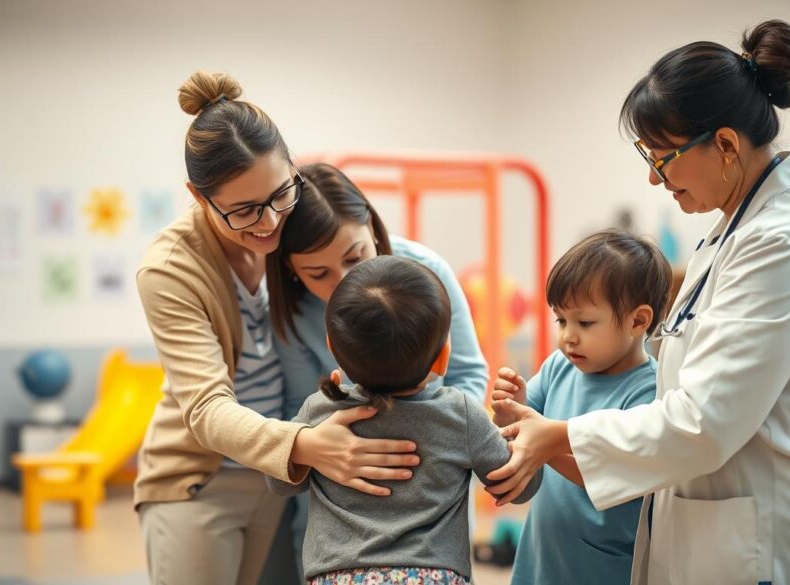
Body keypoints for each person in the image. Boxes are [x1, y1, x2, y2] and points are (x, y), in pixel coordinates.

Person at [486, 20, 790, 584]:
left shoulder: (781, 245)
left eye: (662, 157)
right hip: (722, 535)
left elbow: (703, 423)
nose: (652, 177)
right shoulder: (730, 236)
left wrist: (559, 434)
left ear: (723, 144)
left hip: (775, 546)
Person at [134, 71, 419, 585]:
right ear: (199, 198)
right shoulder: (170, 269)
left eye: (278, 194)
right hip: (199, 482)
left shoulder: (290, 233)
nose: (267, 223)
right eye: (242, 211)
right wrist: (306, 443)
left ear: (293, 169)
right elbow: (204, 407)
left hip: (275, 479)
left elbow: (360, 246)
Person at [265, 162, 489, 576]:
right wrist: (323, 446)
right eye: (318, 274)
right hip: (340, 530)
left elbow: (470, 374)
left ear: (371, 226)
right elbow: (295, 422)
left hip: (432, 524)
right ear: (290, 270)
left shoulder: (425, 272)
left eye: (355, 257)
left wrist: (431, 430)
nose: (346, 282)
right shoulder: (291, 312)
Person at [267, 255, 539, 585]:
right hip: (433, 576)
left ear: (333, 347)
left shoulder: (324, 410)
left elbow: (278, 482)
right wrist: (516, 426)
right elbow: (519, 488)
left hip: (337, 577)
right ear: (442, 358)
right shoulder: (460, 414)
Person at [491, 229, 669, 584]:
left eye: (585, 322)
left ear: (638, 321)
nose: (568, 336)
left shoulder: (649, 391)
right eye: (561, 320)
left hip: (602, 566)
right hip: (542, 557)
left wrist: (543, 447)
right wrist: (511, 405)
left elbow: (612, 474)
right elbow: (520, 426)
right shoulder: (561, 366)